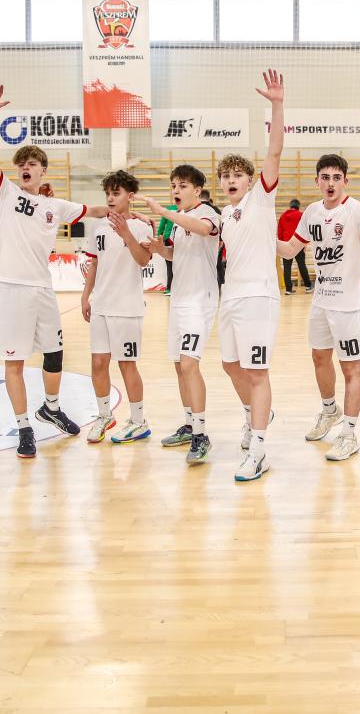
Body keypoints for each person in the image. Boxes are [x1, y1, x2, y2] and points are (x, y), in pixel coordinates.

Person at [0, 82, 109, 459]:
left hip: (42, 290)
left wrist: (129, 212)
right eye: (21, 165)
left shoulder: (56, 205)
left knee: (54, 354)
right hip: (12, 289)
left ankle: (50, 407)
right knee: (14, 362)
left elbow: (94, 210)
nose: (25, 168)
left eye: (32, 164)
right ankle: (24, 428)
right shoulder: (5, 193)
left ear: (43, 171)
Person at [278, 155, 360, 462]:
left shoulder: (355, 210)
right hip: (321, 301)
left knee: (350, 368)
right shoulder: (311, 212)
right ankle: (330, 411)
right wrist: (261, 238)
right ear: (317, 181)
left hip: (348, 305)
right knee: (319, 357)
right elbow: (290, 249)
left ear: (345, 181)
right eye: (325, 177)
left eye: (336, 177)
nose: (330, 183)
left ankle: (349, 434)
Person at [216, 69, 289, 482]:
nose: (230, 180)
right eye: (225, 176)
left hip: (259, 298)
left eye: (237, 175)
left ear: (250, 180)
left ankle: (259, 449)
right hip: (230, 298)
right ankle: (256, 413)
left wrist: (277, 105)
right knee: (231, 366)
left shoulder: (261, 199)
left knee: (257, 373)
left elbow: (274, 151)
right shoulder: (225, 215)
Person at [141, 166, 221, 465]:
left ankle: (201, 434)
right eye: (173, 185)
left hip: (200, 301)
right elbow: (177, 255)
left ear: (197, 190)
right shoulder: (178, 221)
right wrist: (160, 249)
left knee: (189, 364)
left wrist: (163, 211)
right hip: (179, 300)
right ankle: (189, 425)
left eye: (183, 185)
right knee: (179, 366)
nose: (176, 190)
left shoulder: (208, 213)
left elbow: (203, 230)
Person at [81, 170, 154, 445]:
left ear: (130, 196)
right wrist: (85, 296)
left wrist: (126, 233)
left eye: (116, 193)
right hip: (101, 305)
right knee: (98, 363)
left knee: (126, 364)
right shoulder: (99, 227)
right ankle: (104, 416)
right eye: (108, 194)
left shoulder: (141, 227)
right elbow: (95, 263)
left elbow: (143, 260)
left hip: (127, 308)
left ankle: (138, 420)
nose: (111, 198)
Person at [278, 198, 313, 294]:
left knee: (287, 267)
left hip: (285, 244)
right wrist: (305, 244)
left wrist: (281, 245)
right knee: (302, 265)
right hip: (298, 244)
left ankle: (288, 289)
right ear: (298, 206)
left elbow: (280, 231)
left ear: (290, 206)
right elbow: (305, 231)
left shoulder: (283, 216)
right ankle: (308, 286)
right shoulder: (300, 215)